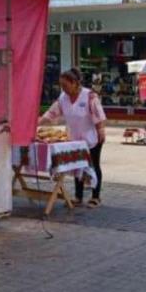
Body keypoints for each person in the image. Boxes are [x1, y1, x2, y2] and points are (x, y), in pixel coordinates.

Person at [39, 68, 107, 208]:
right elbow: (51, 113)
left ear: (75, 83)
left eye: (65, 85)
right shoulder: (63, 98)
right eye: (61, 85)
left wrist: (101, 130)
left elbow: (98, 115)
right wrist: (37, 122)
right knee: (78, 166)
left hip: (91, 137)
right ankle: (78, 196)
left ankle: (95, 196)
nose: (63, 88)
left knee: (93, 166)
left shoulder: (89, 96)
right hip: (74, 139)